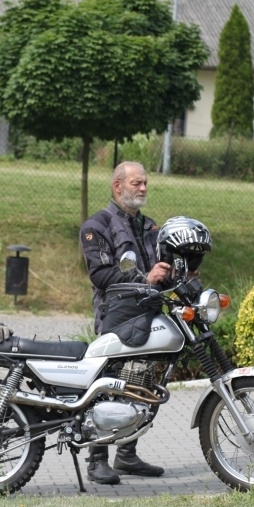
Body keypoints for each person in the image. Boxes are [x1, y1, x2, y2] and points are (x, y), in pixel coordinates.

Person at [78, 161, 168, 485]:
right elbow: (100, 274)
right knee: (107, 384)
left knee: (148, 382)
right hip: (114, 316)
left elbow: (164, 264)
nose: (143, 189)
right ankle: (97, 458)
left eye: (145, 183)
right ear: (118, 187)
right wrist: (145, 277)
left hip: (149, 315)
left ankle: (127, 455)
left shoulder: (150, 227)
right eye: (136, 184)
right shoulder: (97, 225)